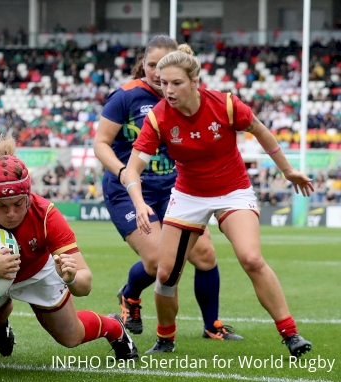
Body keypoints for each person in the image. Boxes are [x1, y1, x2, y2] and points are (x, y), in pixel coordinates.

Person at [125, 44, 313, 357]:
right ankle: (165, 339)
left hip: (233, 189)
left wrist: (288, 170)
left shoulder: (225, 104)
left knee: (251, 259)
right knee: (166, 274)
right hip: (188, 195)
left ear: (194, 81)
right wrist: (138, 201)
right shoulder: (158, 117)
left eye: (176, 83)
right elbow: (133, 166)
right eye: (163, 83)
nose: (168, 90)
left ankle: (290, 333)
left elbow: (261, 131)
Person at [94, 35, 242, 345]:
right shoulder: (126, 97)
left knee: (204, 255)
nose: (157, 75)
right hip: (129, 190)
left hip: (175, 188)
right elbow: (101, 144)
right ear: (143, 65)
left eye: (162, 67)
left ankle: (212, 325)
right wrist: (124, 172)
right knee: (157, 262)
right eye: (150, 66)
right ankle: (130, 295)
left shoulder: (187, 95)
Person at [0, 137, 138, 361]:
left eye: (18, 204)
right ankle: (1, 326)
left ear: (29, 198)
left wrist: (70, 277)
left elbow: (85, 284)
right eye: (2, 206)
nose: (11, 213)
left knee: (71, 337)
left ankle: (114, 327)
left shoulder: (46, 213)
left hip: (37, 272)